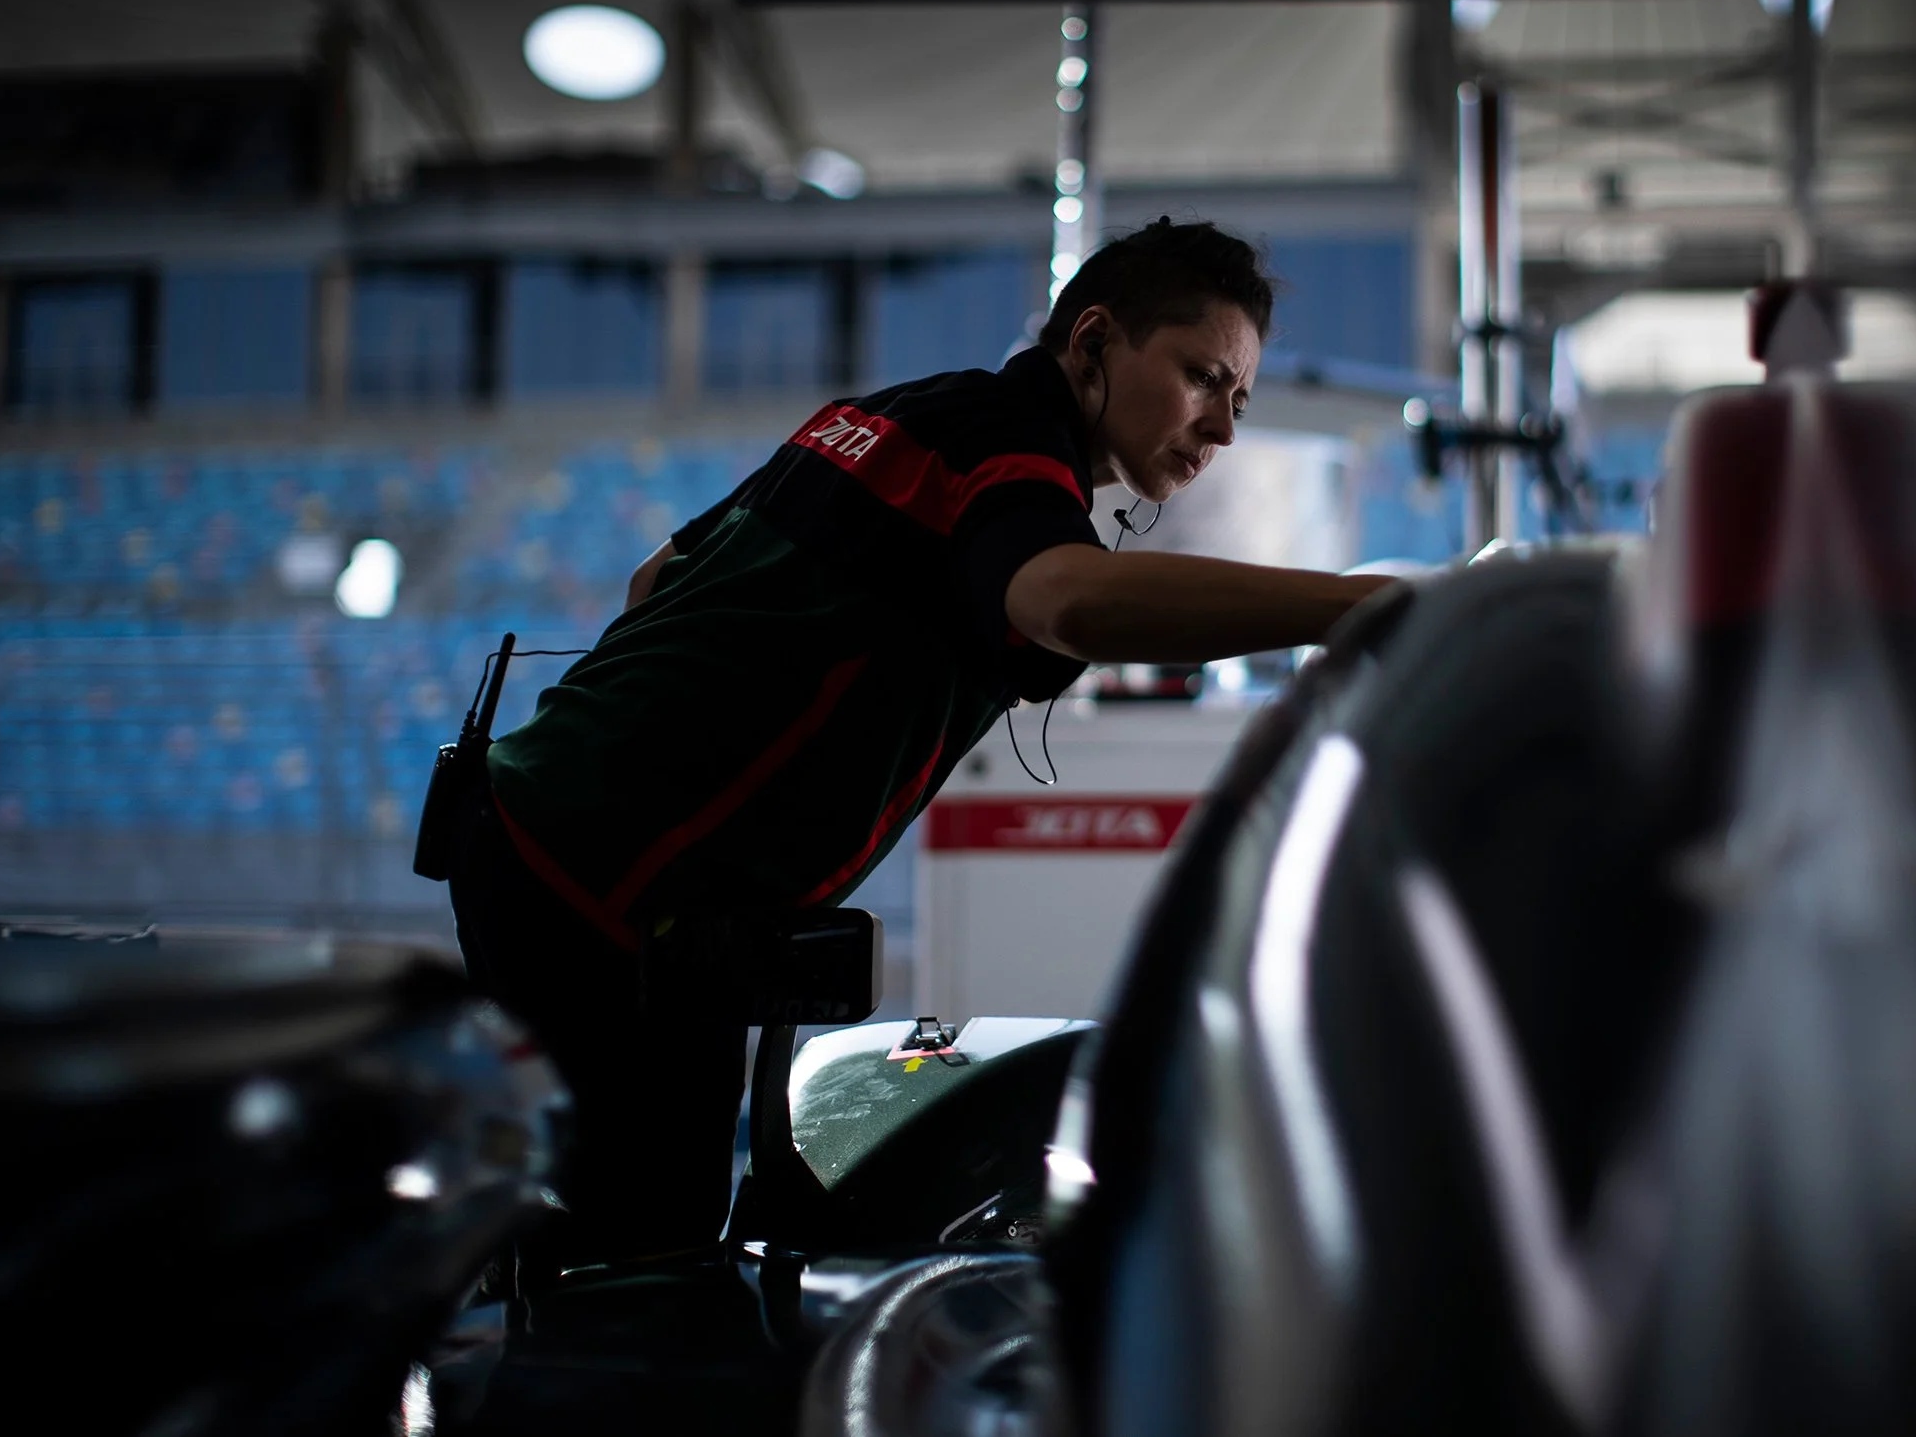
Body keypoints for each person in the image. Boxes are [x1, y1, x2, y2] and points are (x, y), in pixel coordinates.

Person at [449, 218, 1399, 1265]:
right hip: (604, 886)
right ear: (1092, 344)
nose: (1220, 426)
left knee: (599, 1229)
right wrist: (1359, 604)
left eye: (1239, 399)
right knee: (628, 1264)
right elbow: (1066, 599)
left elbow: (658, 578)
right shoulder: (1009, 443)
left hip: (536, 828)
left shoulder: (890, 412)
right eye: (1200, 377)